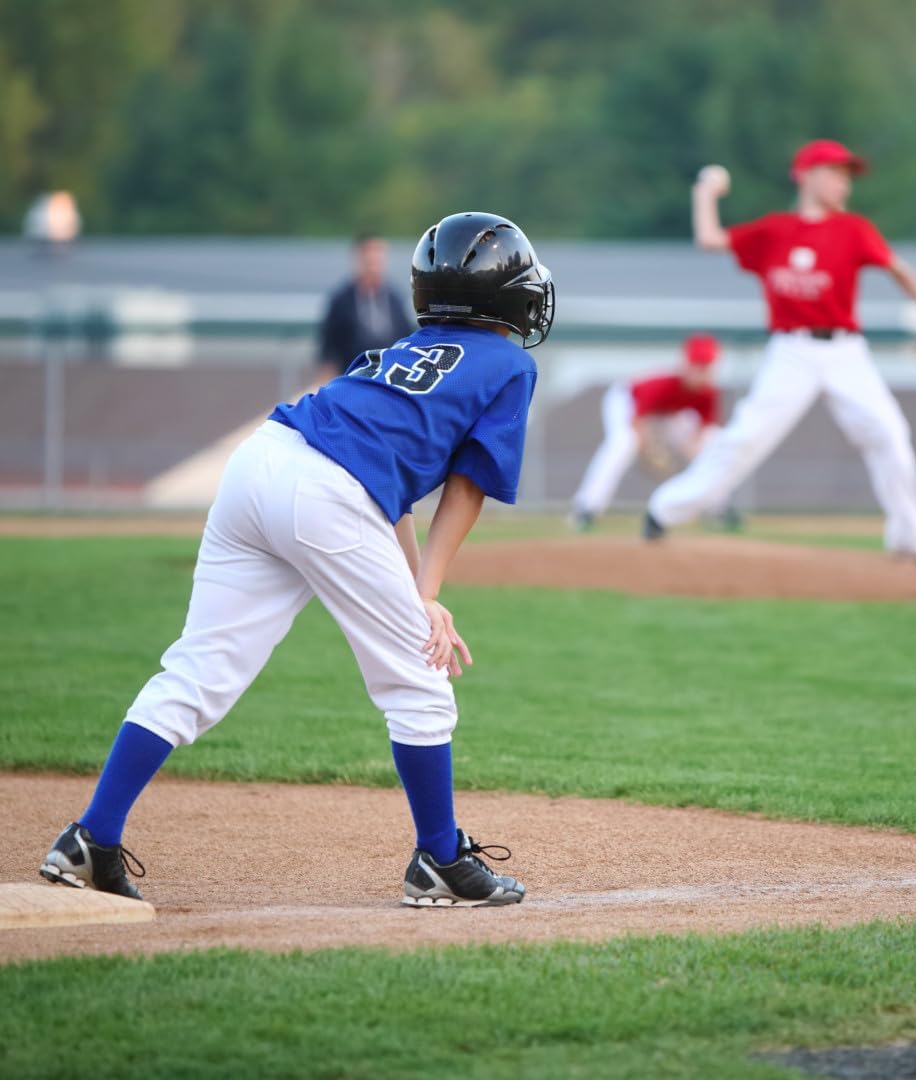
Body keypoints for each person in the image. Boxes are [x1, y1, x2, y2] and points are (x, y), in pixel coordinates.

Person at [39, 211, 556, 908]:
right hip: (328, 493)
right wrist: (426, 596)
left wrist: (419, 594)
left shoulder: (401, 350)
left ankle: (90, 838)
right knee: (419, 684)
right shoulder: (510, 364)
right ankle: (439, 860)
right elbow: (465, 488)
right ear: (503, 296)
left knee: (199, 667)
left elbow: (390, 491)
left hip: (261, 461)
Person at [643, 140, 916, 571]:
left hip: (845, 351)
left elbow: (897, 268)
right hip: (790, 352)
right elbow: (710, 240)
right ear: (805, 176)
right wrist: (705, 193)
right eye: (835, 173)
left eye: (847, 175)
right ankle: (664, 511)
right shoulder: (775, 231)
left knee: (889, 434)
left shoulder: (854, 229)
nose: (844, 183)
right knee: (745, 438)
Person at [571, 334, 724, 530]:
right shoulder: (664, 384)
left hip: (668, 415)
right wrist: (651, 454)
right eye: (698, 364)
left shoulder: (708, 392)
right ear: (686, 364)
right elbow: (638, 422)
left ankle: (718, 507)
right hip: (626, 399)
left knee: (713, 441)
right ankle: (586, 508)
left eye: (707, 366)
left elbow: (701, 433)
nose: (702, 371)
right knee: (624, 444)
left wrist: (689, 454)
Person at [317, 233, 416, 380]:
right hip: (352, 377)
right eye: (369, 260)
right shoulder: (341, 302)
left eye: (378, 259)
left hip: (388, 378)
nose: (373, 265)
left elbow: (406, 338)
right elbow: (329, 350)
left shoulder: (395, 299)